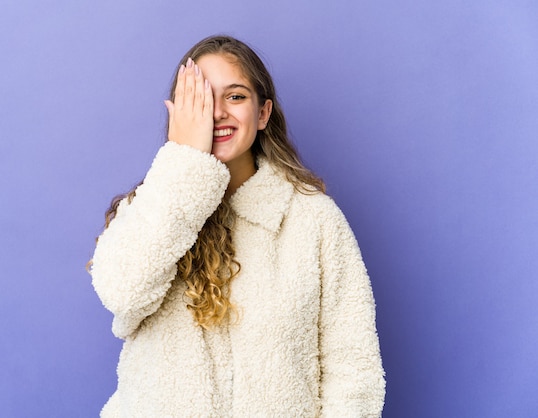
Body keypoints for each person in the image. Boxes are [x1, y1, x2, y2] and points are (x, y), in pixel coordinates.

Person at [89, 35, 385, 417]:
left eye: (235, 96)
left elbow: (353, 366)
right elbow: (122, 292)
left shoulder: (315, 220)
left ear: (263, 114)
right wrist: (186, 166)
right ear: (180, 114)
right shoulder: (148, 209)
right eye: (202, 99)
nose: (216, 113)